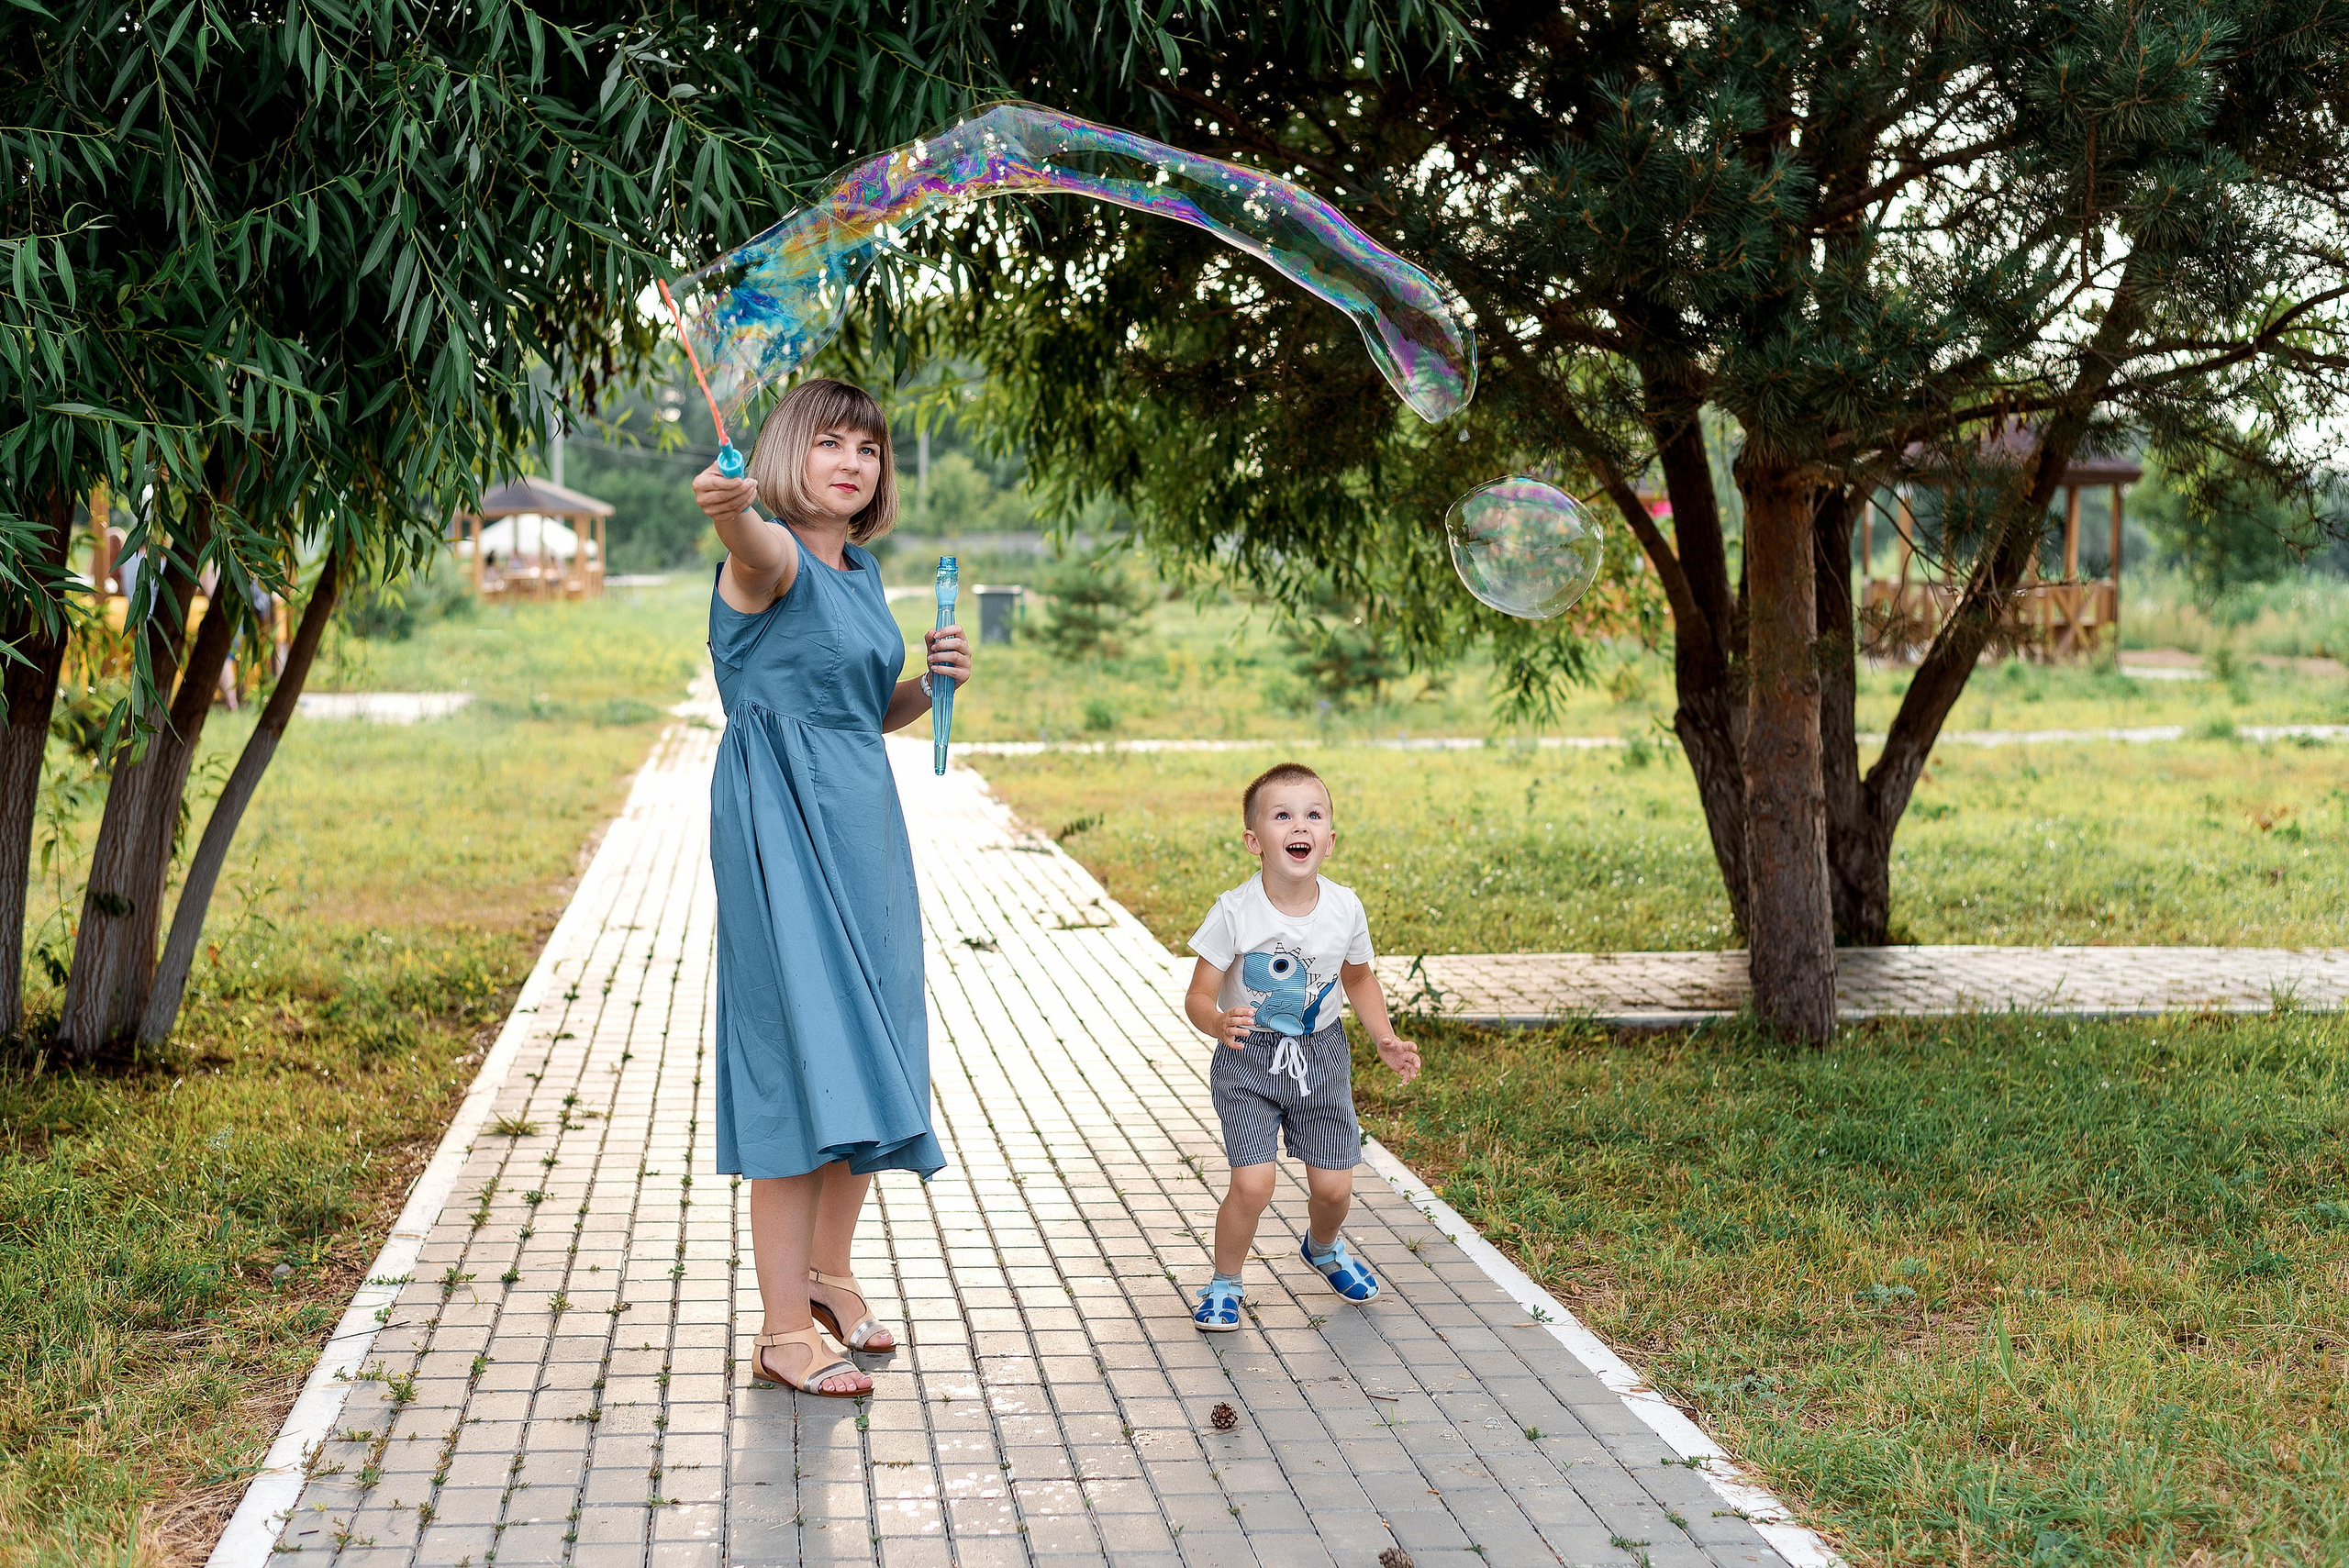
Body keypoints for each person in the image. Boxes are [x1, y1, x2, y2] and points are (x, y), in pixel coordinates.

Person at [690, 378, 971, 1398]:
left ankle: (826, 1274)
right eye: (829, 443)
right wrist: (731, 508)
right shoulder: (763, 560)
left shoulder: (864, 571)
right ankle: (778, 1330)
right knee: (797, 1059)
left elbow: (855, 710)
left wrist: (927, 687)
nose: (853, 462)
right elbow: (752, 544)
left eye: (869, 448)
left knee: (869, 1042)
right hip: (778, 831)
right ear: (784, 453)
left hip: (861, 822)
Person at [1181, 762, 1421, 1330]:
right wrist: (1217, 1024)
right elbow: (1197, 995)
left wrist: (1383, 1038)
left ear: (1330, 841)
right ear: (1253, 841)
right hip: (1250, 1061)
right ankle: (1225, 1283)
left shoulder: (1345, 908)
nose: (1300, 826)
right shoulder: (1234, 911)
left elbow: (1358, 979)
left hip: (1322, 1057)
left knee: (1334, 1188)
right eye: (1282, 815)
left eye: (1313, 815)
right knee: (1252, 1183)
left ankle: (1322, 1247)